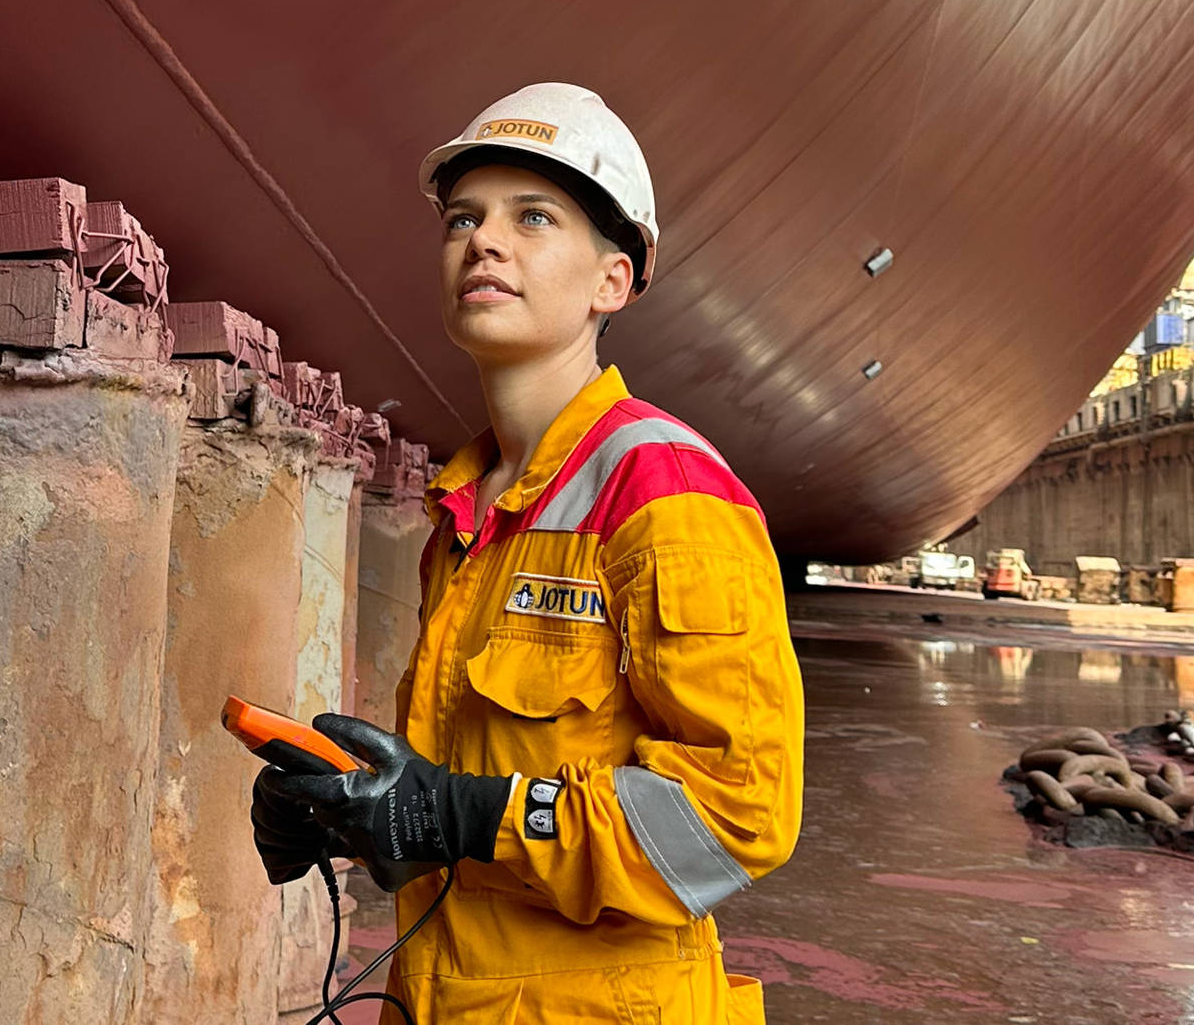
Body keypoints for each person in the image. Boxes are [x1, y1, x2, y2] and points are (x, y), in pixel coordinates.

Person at [252, 82, 805, 1022]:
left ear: (612, 281)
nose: (484, 241)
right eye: (462, 218)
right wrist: (356, 808)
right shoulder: (470, 511)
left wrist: (452, 813)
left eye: (534, 217)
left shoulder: (665, 493)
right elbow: (480, 786)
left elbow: (737, 813)